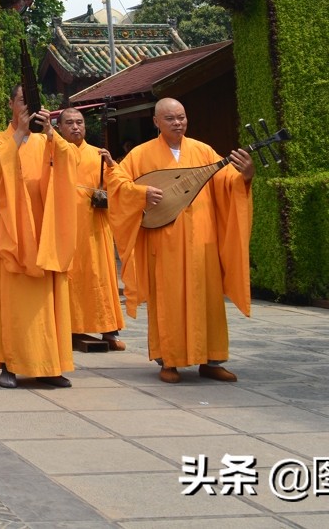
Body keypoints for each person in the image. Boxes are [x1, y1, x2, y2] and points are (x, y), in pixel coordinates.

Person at [109, 97, 254, 384]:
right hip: (164, 241)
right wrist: (141, 194)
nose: (178, 123)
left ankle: (211, 360)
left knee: (208, 299)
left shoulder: (203, 151)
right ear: (156, 122)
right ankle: (169, 361)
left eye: (182, 117)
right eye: (171, 118)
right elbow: (117, 183)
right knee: (168, 300)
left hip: (203, 240)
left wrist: (246, 176)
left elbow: (227, 182)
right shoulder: (140, 154)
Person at [0, 89, 79, 389]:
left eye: (33, 101)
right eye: (23, 101)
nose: (28, 107)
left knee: (47, 301)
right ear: (11, 104)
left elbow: (69, 161)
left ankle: (49, 365)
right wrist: (20, 133)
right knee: (12, 299)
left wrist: (50, 133)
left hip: (44, 227)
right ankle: (9, 364)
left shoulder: (47, 140)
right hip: (14, 229)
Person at [56, 107, 126, 351]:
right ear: (59, 128)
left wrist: (112, 165)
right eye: (69, 123)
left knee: (100, 275)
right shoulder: (53, 153)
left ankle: (109, 330)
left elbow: (119, 186)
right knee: (71, 277)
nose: (76, 127)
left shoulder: (98, 155)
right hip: (64, 226)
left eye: (80, 122)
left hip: (94, 226)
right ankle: (71, 328)